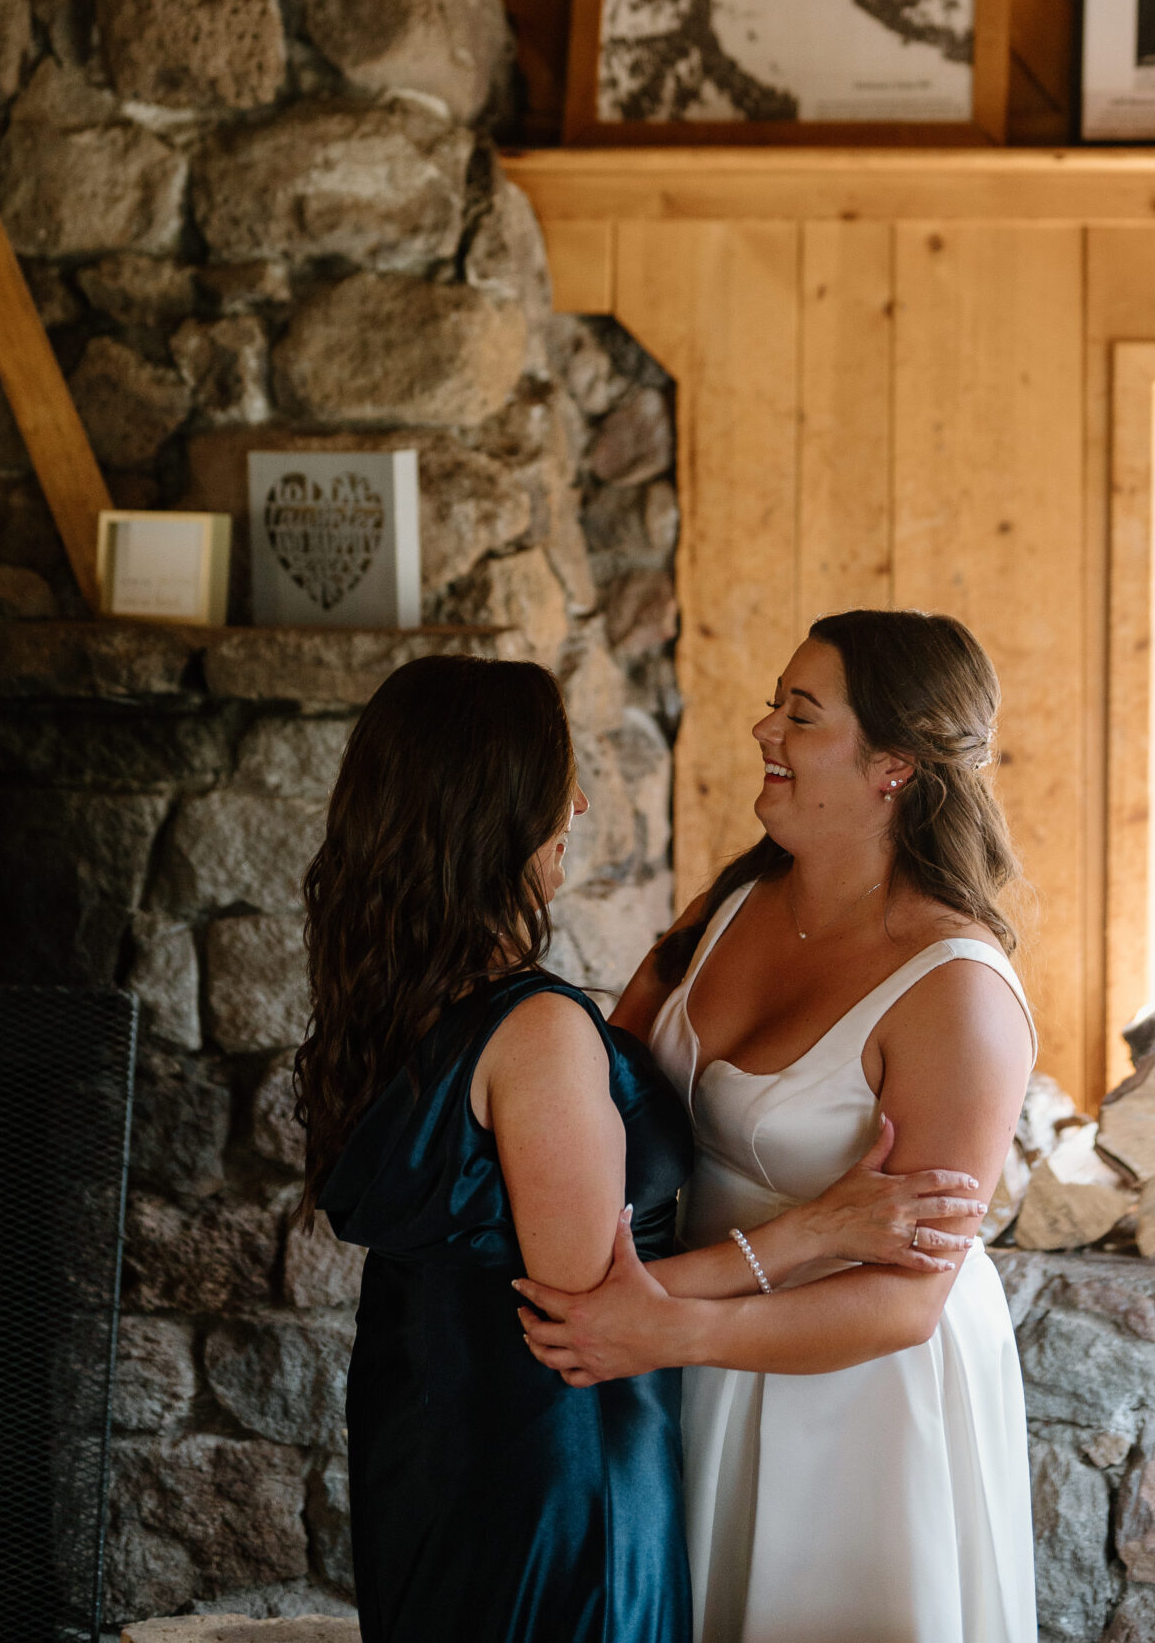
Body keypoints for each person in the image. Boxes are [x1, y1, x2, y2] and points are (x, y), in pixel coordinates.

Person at [299, 654, 983, 1643]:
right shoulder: (532, 1032)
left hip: (421, 1427)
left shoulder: (387, 1003)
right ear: (490, 809)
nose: (575, 803)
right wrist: (810, 1232)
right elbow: (594, 1307)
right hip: (552, 1462)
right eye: (554, 781)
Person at [519, 609, 1037, 1643]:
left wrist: (682, 1327)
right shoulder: (729, 903)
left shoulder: (957, 991)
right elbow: (603, 1085)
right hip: (683, 1346)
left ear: (892, 763)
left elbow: (908, 1302)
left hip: (853, 1406)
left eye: (800, 714)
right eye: (772, 704)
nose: (763, 730)